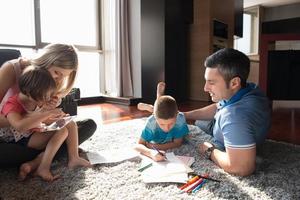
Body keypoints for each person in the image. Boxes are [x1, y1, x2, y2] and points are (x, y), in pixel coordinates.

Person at [0, 43, 97, 167]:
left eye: (64, 76)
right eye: (57, 72)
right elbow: (21, 123)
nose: (59, 80)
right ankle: (44, 158)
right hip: (9, 132)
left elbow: (41, 113)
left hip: (34, 130)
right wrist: (31, 117)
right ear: (46, 61)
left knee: (86, 125)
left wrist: (49, 111)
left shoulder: (49, 80)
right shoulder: (11, 69)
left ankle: (40, 159)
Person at [184, 48, 271, 176]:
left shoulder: (234, 116)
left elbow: (242, 168)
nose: (205, 88)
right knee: (197, 120)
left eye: (211, 82)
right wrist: (185, 115)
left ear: (234, 82)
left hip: (224, 129)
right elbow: (218, 106)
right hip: (232, 124)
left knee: (198, 123)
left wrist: (210, 150)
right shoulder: (250, 89)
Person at [1, 67, 90, 181]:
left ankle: (73, 158)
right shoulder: (12, 104)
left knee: (69, 125)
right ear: (29, 93)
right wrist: (46, 114)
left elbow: (37, 117)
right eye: (44, 97)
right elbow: (20, 126)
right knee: (62, 132)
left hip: (32, 131)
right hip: (17, 138)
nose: (46, 100)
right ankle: (43, 167)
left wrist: (54, 116)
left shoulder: (33, 98)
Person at [134, 82, 189, 161]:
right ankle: (154, 101)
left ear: (176, 115)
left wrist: (157, 147)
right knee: (151, 107)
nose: (166, 128)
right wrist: (150, 153)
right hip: (154, 112)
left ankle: (159, 96)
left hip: (162, 113)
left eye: (171, 123)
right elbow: (138, 145)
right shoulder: (151, 122)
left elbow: (177, 143)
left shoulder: (180, 119)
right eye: (162, 124)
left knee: (160, 106)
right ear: (155, 117)